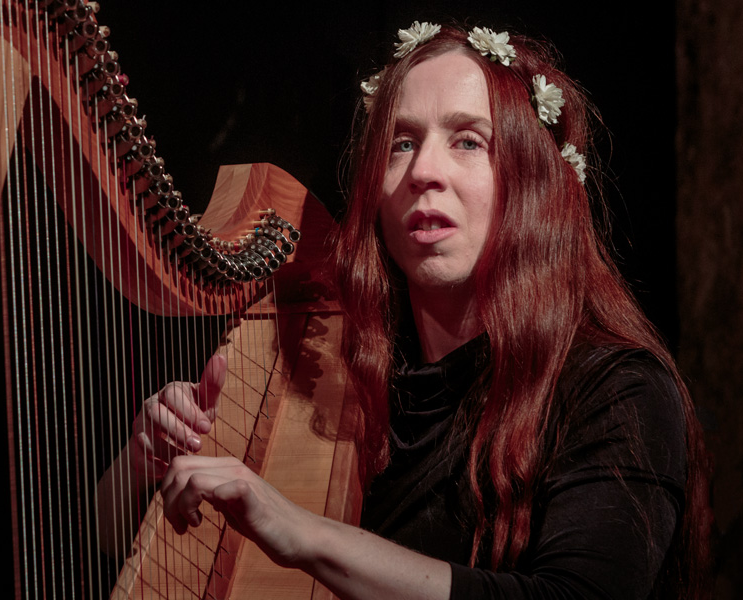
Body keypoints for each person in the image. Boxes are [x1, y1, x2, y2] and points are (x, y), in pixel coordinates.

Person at [120, 22, 713, 599]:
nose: (423, 172)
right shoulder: (341, 377)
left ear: (534, 181)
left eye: (467, 141)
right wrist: (136, 474)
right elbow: (109, 561)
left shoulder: (621, 390)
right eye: (402, 143)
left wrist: (301, 531)